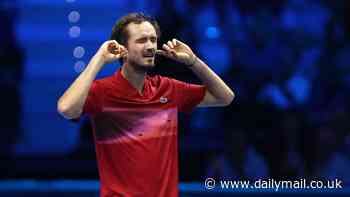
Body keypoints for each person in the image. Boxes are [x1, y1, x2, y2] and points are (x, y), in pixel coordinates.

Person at [57, 12, 234, 197]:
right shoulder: (102, 91)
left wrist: (193, 61)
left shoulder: (168, 88)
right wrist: (99, 59)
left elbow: (225, 97)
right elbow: (66, 108)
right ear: (122, 48)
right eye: (141, 41)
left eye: (153, 40)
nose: (150, 46)